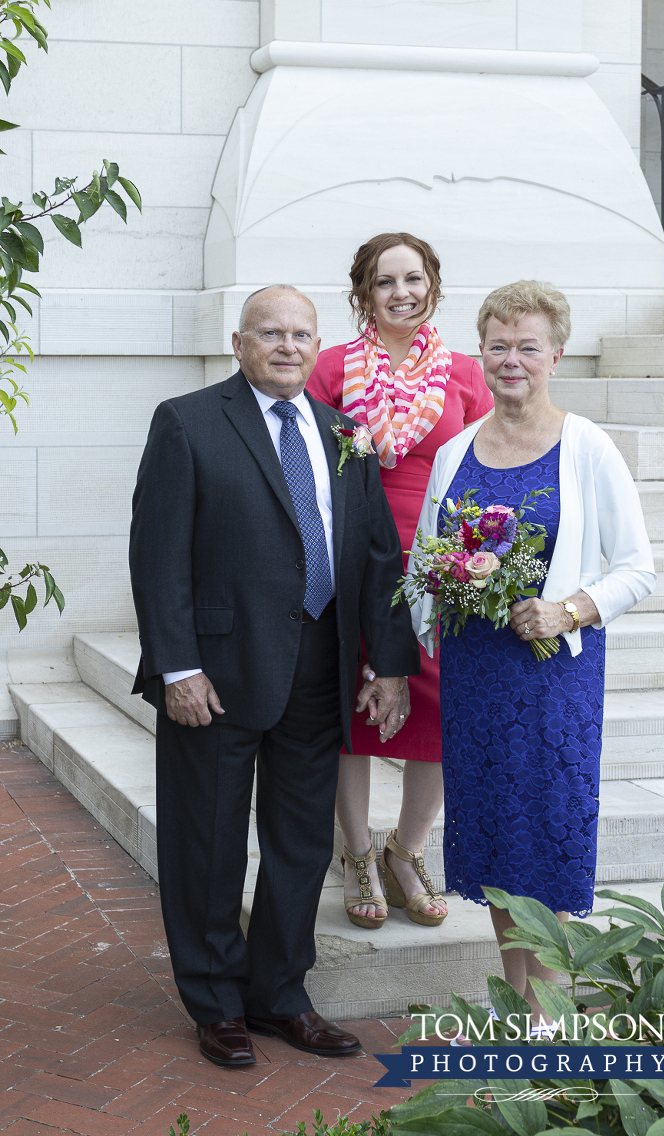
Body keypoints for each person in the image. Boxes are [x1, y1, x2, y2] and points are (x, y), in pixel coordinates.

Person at [129, 285, 420, 1068]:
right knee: (209, 842)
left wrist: (388, 662)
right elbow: (157, 557)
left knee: (298, 845)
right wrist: (176, 666)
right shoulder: (187, 423)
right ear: (239, 343)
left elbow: (376, 554)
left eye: (301, 334)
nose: (288, 346)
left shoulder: (344, 433)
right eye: (271, 333)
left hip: (317, 673)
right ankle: (216, 1001)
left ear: (317, 345)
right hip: (215, 679)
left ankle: (280, 996)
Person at [409, 280, 655, 1025]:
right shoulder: (455, 452)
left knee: (544, 837)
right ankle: (522, 1009)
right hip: (477, 679)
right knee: (494, 840)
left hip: (554, 681)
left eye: (527, 346)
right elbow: (424, 560)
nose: (511, 360)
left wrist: (567, 610)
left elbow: (637, 568)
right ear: (480, 353)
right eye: (498, 345)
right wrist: (440, 597)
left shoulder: (588, 447)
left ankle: (549, 1020)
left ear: (555, 353)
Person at [308, 233, 494, 930]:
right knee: (350, 713)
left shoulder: (464, 375)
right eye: (385, 282)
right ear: (364, 294)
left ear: (433, 286)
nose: (401, 293)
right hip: (351, 562)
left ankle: (406, 851)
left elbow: (482, 470)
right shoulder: (329, 370)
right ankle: (356, 852)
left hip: (435, 567)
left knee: (441, 712)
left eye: (413, 279)